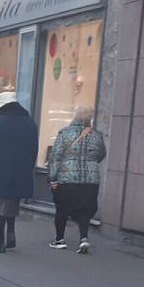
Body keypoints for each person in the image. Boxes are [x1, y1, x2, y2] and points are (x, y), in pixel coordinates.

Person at [0, 90, 39, 253]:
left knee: (0, 205)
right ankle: (11, 234)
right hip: (21, 170)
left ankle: (0, 241)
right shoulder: (29, 122)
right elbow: (34, 149)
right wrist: (28, 167)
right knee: (12, 203)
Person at [47, 105, 107, 254]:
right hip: (90, 180)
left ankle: (60, 240)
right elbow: (101, 155)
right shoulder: (97, 135)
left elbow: (56, 157)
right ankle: (83, 238)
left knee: (62, 208)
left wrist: (52, 178)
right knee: (85, 210)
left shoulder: (64, 133)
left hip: (67, 179)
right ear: (90, 118)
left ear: (75, 116)